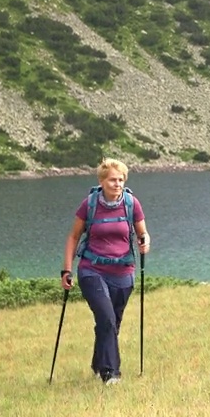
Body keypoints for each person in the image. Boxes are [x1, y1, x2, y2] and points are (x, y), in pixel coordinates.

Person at [61, 157, 150, 385]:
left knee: (112, 323)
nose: (117, 184)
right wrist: (67, 270)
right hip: (92, 270)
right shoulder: (89, 204)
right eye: (112, 180)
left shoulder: (132, 203)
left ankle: (98, 362)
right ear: (101, 181)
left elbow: (143, 233)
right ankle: (111, 373)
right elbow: (73, 237)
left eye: (121, 180)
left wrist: (144, 241)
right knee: (107, 319)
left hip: (123, 272)